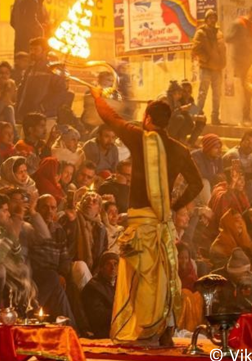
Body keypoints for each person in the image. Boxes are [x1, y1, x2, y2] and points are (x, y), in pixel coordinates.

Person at [91, 87, 203, 346]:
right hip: (163, 223)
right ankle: (164, 331)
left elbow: (112, 119)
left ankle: (145, 331)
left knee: (142, 279)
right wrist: (174, 206)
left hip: (141, 222)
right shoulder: (180, 150)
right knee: (164, 278)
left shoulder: (140, 137)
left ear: (147, 118)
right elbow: (196, 185)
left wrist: (97, 96)